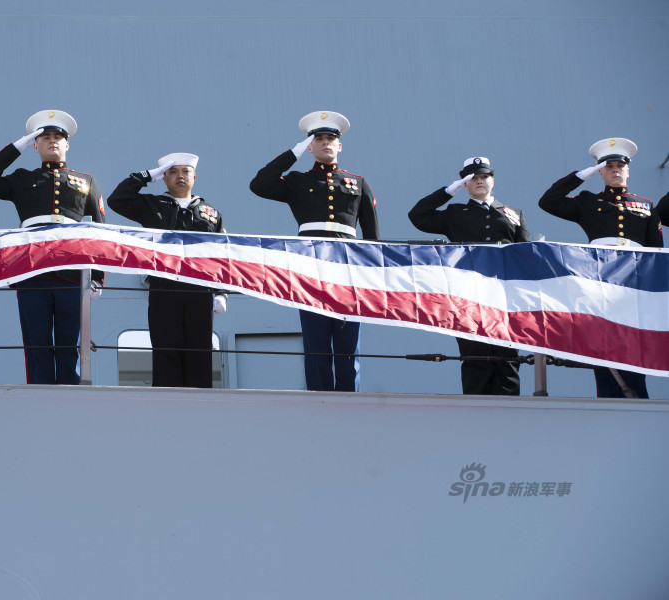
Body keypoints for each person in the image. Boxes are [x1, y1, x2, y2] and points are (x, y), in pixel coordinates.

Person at [250, 111, 379, 392]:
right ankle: (319, 402)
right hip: (310, 268)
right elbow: (258, 184)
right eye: (318, 139)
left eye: (331, 138)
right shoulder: (297, 180)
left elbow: (372, 238)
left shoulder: (358, 183)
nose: (325, 143)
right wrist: (293, 153)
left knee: (347, 344)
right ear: (310, 146)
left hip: (348, 270)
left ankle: (350, 402)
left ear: (340, 145)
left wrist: (372, 279)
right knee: (316, 342)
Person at [0, 110, 105, 385]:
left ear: (67, 144)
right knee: (37, 344)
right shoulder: (21, 178)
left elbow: (99, 232)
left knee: (70, 344)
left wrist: (97, 278)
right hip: (31, 271)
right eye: (44, 137)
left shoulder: (86, 181)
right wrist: (16, 147)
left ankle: (70, 395)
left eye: (58, 136)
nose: (52, 141)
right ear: (35, 146)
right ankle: (39, 395)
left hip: (71, 273)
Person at [538, 137, 663, 399]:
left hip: (635, 279)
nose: (616, 170)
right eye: (609, 167)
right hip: (600, 277)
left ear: (628, 170)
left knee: (633, 336)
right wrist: (583, 174)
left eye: (620, 166)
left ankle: (637, 394)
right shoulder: (587, 202)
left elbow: (656, 252)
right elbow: (548, 201)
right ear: (601, 172)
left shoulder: (647, 206)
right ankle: (608, 395)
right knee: (603, 336)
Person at [408, 156, 530, 396]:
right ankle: (475, 410)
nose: (479, 181)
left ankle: (511, 413)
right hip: (468, 292)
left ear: (492, 180)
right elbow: (418, 216)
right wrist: (449, 191)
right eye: (473, 178)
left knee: (507, 353)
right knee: (474, 352)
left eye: (484, 176)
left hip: (503, 292)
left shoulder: (513, 213)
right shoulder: (455, 212)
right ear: (465, 184)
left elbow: (524, 252)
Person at [109, 153, 226, 388]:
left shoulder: (210, 213)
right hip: (164, 287)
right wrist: (147, 176)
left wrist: (221, 291)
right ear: (164, 178)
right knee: (166, 349)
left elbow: (221, 254)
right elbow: (117, 200)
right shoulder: (151, 205)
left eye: (185, 171)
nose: (180, 176)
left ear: (194, 176)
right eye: (172, 172)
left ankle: (201, 407)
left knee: (200, 353)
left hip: (199, 290)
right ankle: (166, 407)